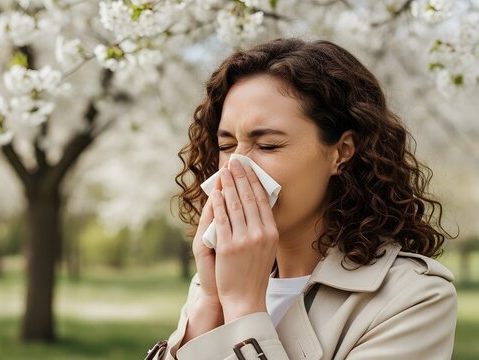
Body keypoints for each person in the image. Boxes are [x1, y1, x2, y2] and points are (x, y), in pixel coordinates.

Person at [144, 38, 458, 360]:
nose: (235, 167)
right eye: (226, 147)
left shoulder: (413, 297)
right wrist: (211, 303)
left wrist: (242, 306)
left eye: (268, 146)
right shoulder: (210, 284)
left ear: (342, 152)